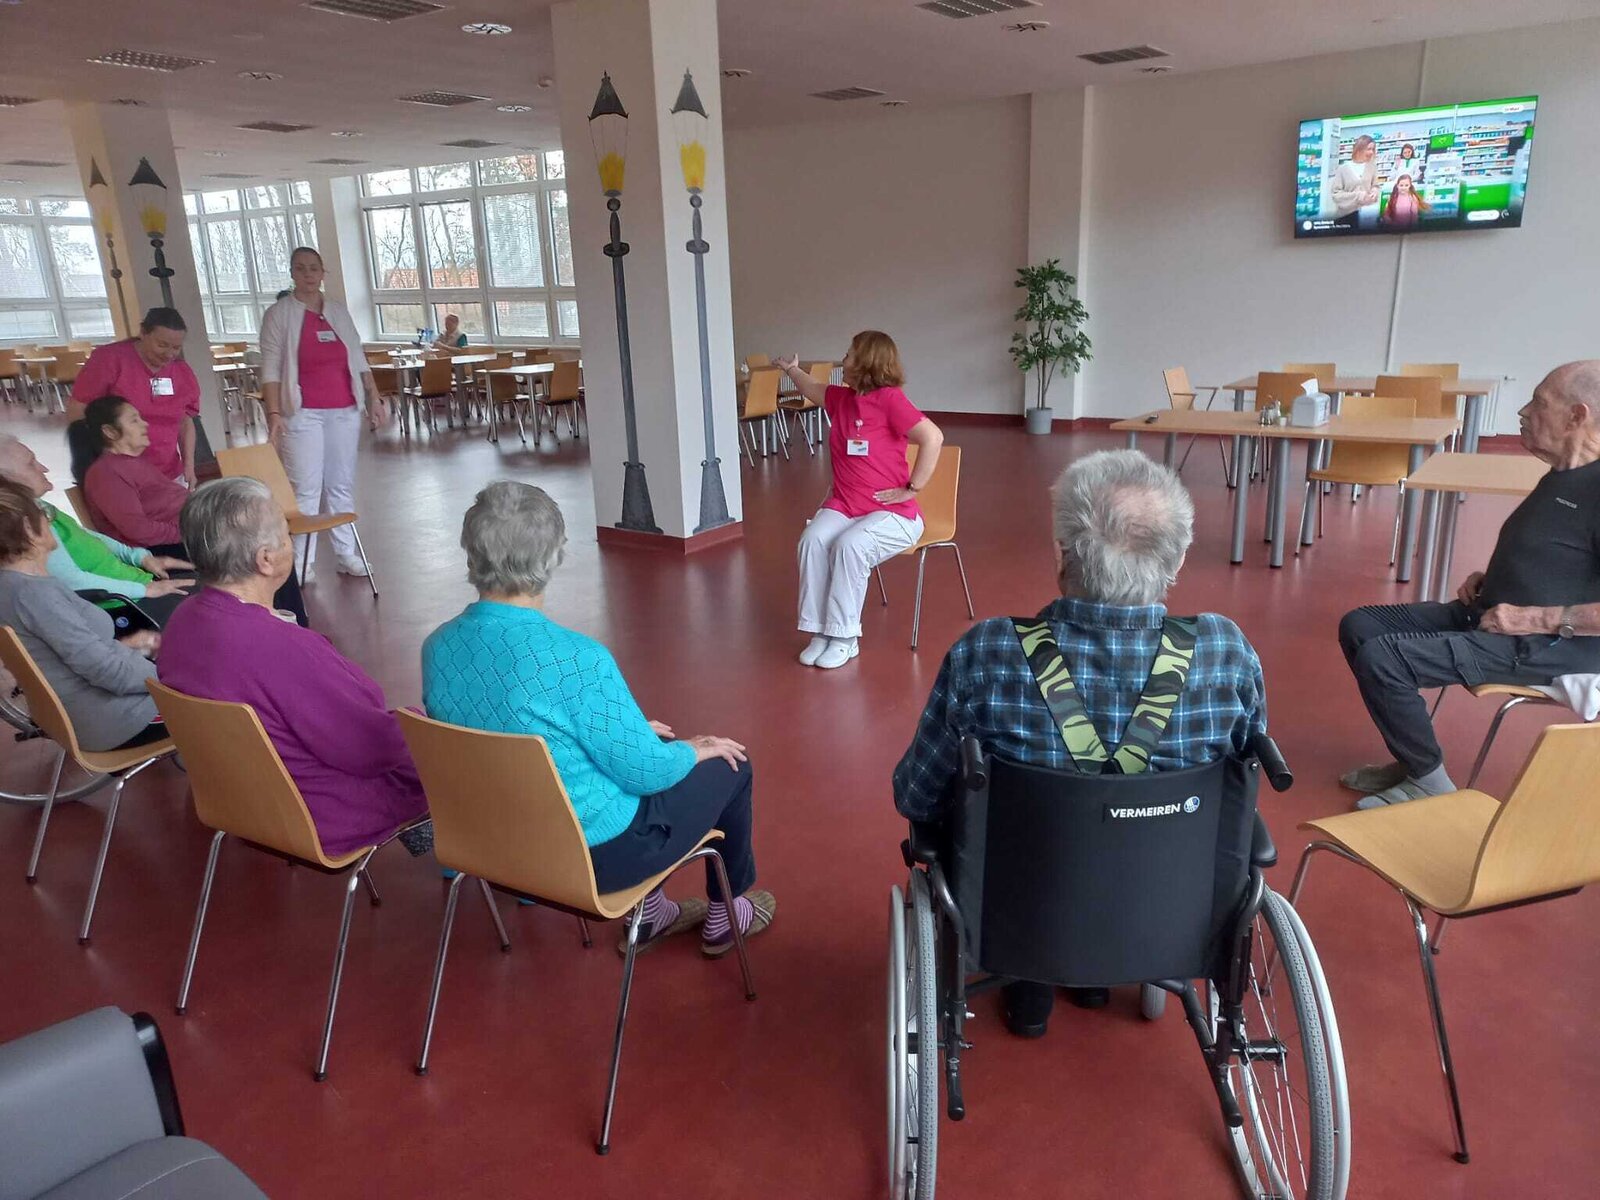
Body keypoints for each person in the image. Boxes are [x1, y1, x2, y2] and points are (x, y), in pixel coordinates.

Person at [893, 449, 1267, 1037]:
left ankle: (1031, 988)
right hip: (1170, 904)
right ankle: (1121, 967)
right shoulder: (1226, 653)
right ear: (1176, 560)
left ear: (1061, 554)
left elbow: (916, 794)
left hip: (1024, 912)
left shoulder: (986, 653)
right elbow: (1245, 779)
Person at [422, 481, 775, 956]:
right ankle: (726, 916)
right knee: (732, 765)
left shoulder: (438, 648)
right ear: (554, 556)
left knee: (635, 751)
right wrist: (693, 748)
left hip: (491, 846)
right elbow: (647, 773)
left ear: (471, 552)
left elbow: (505, 729)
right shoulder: (577, 660)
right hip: (593, 859)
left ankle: (654, 913)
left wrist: (630, 736)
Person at [1339, 360, 1600, 809]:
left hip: (1548, 644)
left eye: (1538, 403)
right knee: (1361, 626)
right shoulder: (1565, 474)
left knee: (1385, 659)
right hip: (1492, 613)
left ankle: (1428, 782)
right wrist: (1492, 578)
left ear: (1577, 416)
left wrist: (1534, 618)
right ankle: (1413, 761)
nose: (1523, 412)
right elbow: (1558, 555)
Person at [157, 478, 430, 857]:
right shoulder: (282, 646)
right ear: (265, 560)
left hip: (235, 800)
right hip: (316, 814)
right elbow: (371, 749)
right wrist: (420, 722)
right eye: (286, 534)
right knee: (442, 745)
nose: (290, 540)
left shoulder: (180, 621)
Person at [775, 332, 945, 670]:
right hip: (846, 505)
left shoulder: (890, 400)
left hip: (893, 512)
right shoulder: (843, 399)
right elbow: (812, 388)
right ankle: (820, 630)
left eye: (850, 355)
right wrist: (791, 370)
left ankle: (844, 636)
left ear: (867, 362)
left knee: (850, 546)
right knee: (812, 540)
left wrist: (912, 488)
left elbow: (933, 437)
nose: (844, 360)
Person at [69, 396, 307, 626]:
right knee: (264, 551)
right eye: (134, 420)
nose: (144, 424)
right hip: (163, 549)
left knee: (269, 540)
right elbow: (138, 529)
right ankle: (290, 628)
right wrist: (189, 532)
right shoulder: (106, 474)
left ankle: (290, 625)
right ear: (110, 432)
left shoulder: (131, 463)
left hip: (186, 536)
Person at [0, 479, 166, 752]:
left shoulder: (10, 587)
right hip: (121, 719)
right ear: (29, 528)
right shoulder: (35, 595)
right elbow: (108, 673)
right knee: (224, 689)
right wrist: (172, 676)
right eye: (44, 513)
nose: (50, 520)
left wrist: (126, 646)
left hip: (85, 713)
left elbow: (55, 655)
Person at [258, 246, 388, 583]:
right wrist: (274, 413)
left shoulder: (338, 312)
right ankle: (302, 562)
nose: (308, 275)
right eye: (301, 268)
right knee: (306, 488)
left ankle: (346, 554)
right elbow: (270, 368)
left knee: (341, 485)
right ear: (292, 273)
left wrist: (374, 397)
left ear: (322, 272)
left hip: (344, 409)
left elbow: (358, 358)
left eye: (314, 268)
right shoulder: (279, 315)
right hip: (302, 413)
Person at [0, 435, 193, 624]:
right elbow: (72, 581)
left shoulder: (40, 506)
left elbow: (87, 536)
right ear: (5, 482)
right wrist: (145, 590)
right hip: (122, 606)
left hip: (138, 583)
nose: (44, 468)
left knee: (206, 587)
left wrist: (139, 557)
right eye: (31, 464)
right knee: (205, 605)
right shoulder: (26, 527)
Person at [69, 307, 200, 488]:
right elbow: (78, 411)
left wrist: (189, 465)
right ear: (143, 333)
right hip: (121, 473)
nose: (169, 354)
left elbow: (185, 421)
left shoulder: (181, 371)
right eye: (162, 345)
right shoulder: (109, 360)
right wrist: (93, 463)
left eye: (176, 348)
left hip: (168, 470)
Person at [1330, 134, 1380, 230]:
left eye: (1373, 149)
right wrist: (1358, 196)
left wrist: (1375, 191)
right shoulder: (1343, 169)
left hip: (1366, 215)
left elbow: (1375, 185)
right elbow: (1336, 194)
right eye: (1368, 149)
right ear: (1359, 149)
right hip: (1346, 216)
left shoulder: (1372, 167)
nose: (1371, 152)